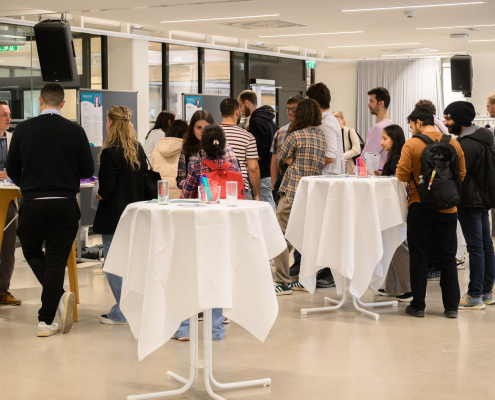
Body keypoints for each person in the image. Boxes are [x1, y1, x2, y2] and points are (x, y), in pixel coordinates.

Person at [7, 83, 94, 336]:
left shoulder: (23, 130)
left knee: (31, 250)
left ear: (40, 101)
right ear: (63, 103)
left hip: (33, 204)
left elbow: (12, 169)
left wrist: (28, 184)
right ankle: (46, 319)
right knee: (56, 261)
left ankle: (54, 306)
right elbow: (87, 170)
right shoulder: (75, 131)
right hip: (65, 204)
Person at [396, 107, 466, 318]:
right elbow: (462, 173)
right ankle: (451, 307)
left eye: (411, 126)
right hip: (448, 208)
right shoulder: (453, 143)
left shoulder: (412, 144)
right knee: (447, 257)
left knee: (419, 257)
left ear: (418, 122)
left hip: (420, 206)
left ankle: (418, 306)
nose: (412, 130)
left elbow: (401, 176)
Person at [174, 125, 240, 340]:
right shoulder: (233, 166)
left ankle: (184, 328)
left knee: (189, 276)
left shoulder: (197, 168)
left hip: (199, 230)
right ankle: (216, 330)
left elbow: (185, 197)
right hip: (223, 231)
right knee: (218, 277)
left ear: (203, 145)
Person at [93, 106, 148, 324]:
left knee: (114, 265)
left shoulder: (110, 152)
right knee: (132, 264)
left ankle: (122, 311)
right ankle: (135, 306)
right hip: (136, 215)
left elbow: (106, 188)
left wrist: (99, 195)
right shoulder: (137, 148)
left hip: (114, 217)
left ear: (111, 123)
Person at [444, 101, 495, 309]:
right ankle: (486, 292)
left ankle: (474, 295)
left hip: (470, 201)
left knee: (475, 247)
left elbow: (460, 175)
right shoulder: (484, 138)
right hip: (483, 199)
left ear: (459, 119)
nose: (446, 123)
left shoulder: (466, 144)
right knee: (485, 245)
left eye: (448, 118)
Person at [272, 99, 326, 295]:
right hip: (311, 195)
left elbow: (280, 158)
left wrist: (289, 160)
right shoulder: (321, 137)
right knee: (307, 238)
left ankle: (283, 282)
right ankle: (306, 280)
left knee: (280, 237)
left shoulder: (295, 136)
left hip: (292, 192)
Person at [306, 83, 342, 288]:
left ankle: (331, 272)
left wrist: (309, 165)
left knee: (328, 229)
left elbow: (330, 155)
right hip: (328, 178)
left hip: (329, 179)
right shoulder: (327, 120)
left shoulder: (327, 122)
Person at [374, 125, 412, 301]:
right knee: (392, 243)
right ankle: (393, 286)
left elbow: (399, 183)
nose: (381, 142)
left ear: (394, 139)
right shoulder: (394, 156)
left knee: (398, 245)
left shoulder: (397, 158)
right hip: (393, 207)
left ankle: (408, 288)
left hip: (396, 208)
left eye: (385, 138)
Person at [270, 95, 305, 277]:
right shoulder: (281, 132)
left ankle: (297, 269)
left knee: (299, 231)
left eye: (294, 109)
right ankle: (284, 274)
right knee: (283, 229)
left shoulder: (308, 132)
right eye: (288, 109)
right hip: (284, 186)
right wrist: (274, 186)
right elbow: (275, 159)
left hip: (302, 187)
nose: (290, 112)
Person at [176, 110, 239, 190]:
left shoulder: (223, 147)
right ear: (192, 130)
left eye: (206, 127)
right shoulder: (187, 149)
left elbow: (234, 175)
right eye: (199, 127)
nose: (203, 131)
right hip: (194, 195)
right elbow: (180, 179)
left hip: (221, 192)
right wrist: (191, 185)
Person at [238, 90, 277, 208]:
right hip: (270, 170)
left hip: (262, 173)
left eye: (240, 105)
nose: (240, 110)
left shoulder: (256, 120)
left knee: (266, 209)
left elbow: (261, 150)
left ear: (246, 102)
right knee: (270, 206)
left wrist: (248, 161)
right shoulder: (267, 119)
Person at [219, 98, 260, 201]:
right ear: (237, 112)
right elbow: (253, 169)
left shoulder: (210, 134)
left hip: (215, 188)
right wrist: (257, 194)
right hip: (240, 189)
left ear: (221, 113)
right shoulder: (248, 137)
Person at [0, 100, 20, 306]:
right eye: (4, 115)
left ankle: (3, 290)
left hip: (10, 199)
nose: (9, 118)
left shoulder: (14, 140)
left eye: (9, 114)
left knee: (8, 247)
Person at [306, 83, 343, 176]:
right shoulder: (327, 120)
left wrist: (309, 168)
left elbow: (330, 156)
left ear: (314, 102)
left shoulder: (325, 123)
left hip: (327, 176)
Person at [151, 120, 188, 200]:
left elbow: (153, 170)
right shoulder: (187, 150)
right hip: (181, 195)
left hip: (161, 195)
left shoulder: (156, 149)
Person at [362, 87, 393, 169]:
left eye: (371, 101)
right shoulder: (391, 125)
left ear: (381, 103)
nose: (368, 105)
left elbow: (366, 157)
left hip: (375, 174)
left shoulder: (378, 128)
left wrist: (355, 173)